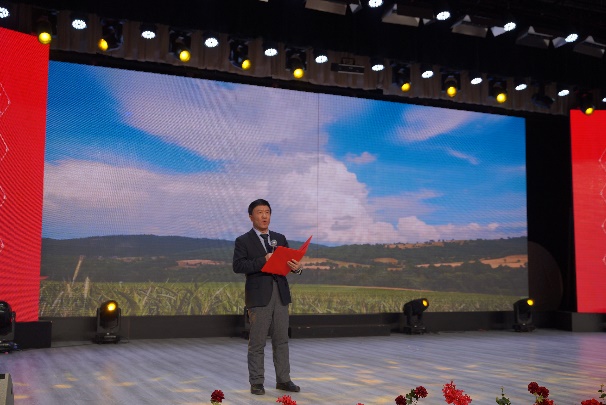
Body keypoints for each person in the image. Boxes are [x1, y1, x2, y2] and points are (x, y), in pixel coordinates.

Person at [233, 199, 304, 396]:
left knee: (281, 340)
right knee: (257, 342)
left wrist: (297, 268)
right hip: (259, 297)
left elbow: (288, 264)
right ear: (251, 217)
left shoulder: (279, 238)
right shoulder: (243, 241)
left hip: (280, 294)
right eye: (260, 212)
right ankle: (257, 382)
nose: (264, 216)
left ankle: (284, 380)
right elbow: (238, 266)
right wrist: (263, 260)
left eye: (267, 212)